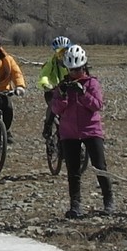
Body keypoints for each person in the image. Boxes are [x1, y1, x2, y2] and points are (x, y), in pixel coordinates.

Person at [49, 44, 112, 218]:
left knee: (100, 166)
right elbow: (55, 109)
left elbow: (97, 105)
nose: (74, 73)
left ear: (84, 67)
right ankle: (75, 205)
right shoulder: (62, 85)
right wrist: (61, 96)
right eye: (71, 70)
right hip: (69, 133)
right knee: (73, 171)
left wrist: (83, 93)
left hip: (91, 130)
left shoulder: (92, 83)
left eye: (77, 69)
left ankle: (108, 201)